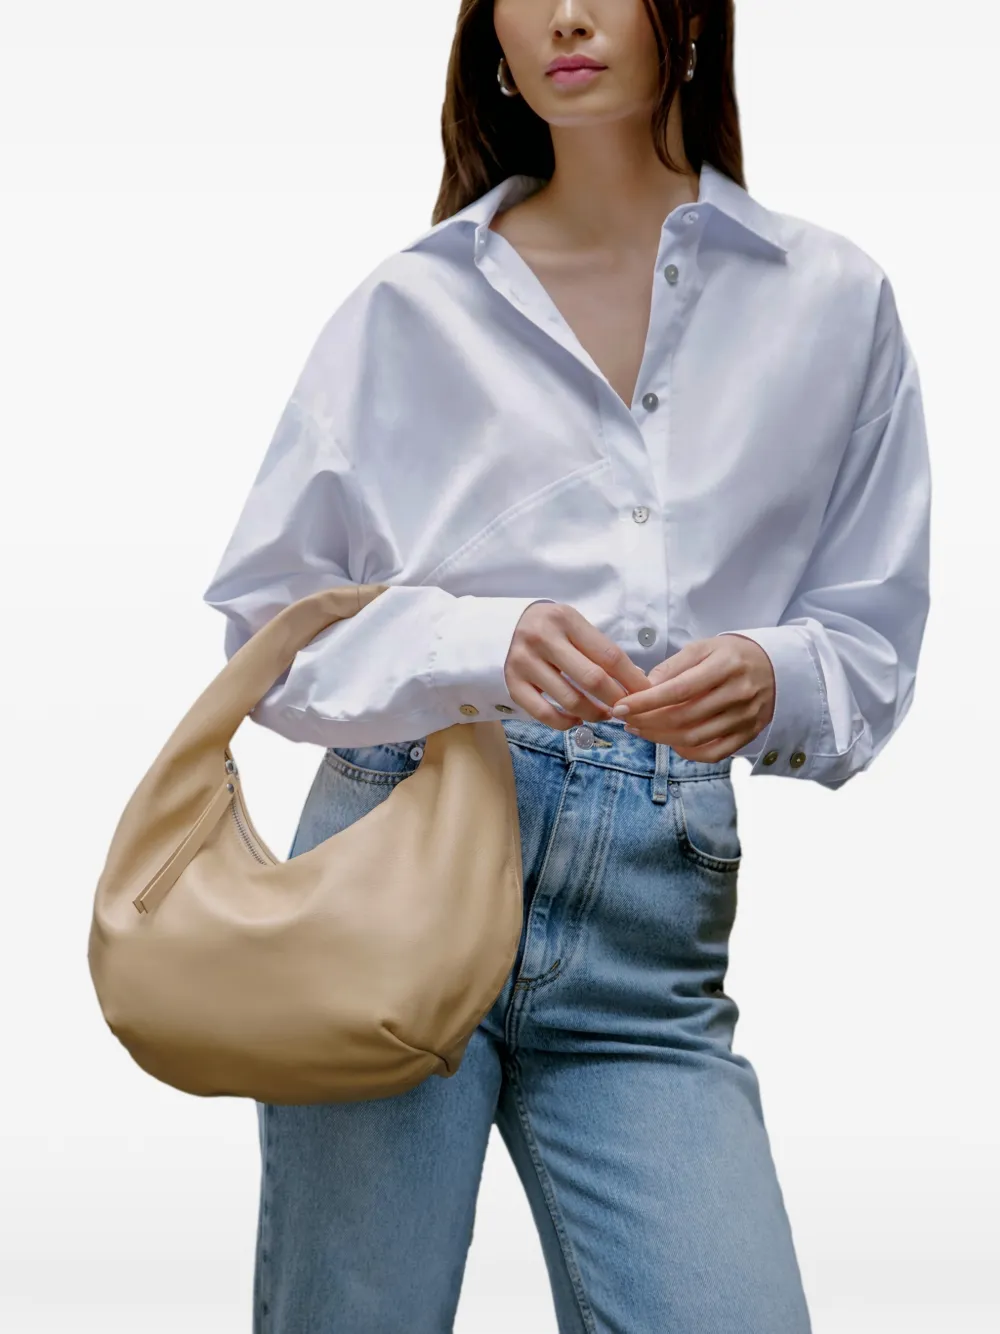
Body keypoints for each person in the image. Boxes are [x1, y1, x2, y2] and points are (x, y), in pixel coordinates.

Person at [201, 2, 931, 1330]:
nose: (567, 16)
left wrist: (774, 673)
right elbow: (269, 629)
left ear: (689, 19)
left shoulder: (831, 300)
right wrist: (481, 645)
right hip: (399, 860)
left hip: (651, 910)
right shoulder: (410, 305)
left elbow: (872, 634)